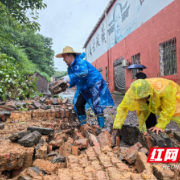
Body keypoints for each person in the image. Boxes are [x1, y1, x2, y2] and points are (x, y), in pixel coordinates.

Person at [56, 46, 114, 128]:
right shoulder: (70, 68)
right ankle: (83, 126)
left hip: (94, 84)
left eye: (64, 57)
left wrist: (70, 77)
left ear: (71, 56)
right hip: (84, 88)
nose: (63, 59)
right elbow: (76, 79)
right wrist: (68, 84)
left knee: (96, 105)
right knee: (78, 104)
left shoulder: (80, 62)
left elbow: (84, 72)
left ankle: (101, 127)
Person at [113, 78, 180, 134]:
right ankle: (151, 132)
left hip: (173, 95)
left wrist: (160, 125)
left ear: (148, 93)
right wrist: (117, 125)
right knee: (145, 110)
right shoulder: (132, 92)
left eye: (141, 99)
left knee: (177, 114)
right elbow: (123, 108)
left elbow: (168, 108)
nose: (139, 101)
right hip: (152, 96)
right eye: (137, 99)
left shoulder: (164, 89)